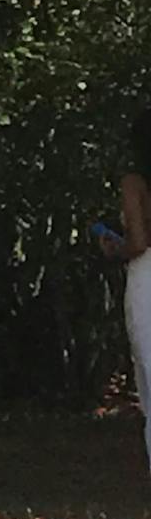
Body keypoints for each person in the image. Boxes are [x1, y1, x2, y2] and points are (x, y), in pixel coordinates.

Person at [102, 111, 151, 476]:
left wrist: (112, 248)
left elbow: (138, 242)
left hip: (148, 272)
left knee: (149, 369)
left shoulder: (135, 182)